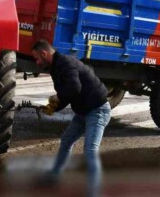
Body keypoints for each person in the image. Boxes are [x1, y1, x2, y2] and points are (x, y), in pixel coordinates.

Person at [31, 39, 111, 197]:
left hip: (97, 110)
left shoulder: (66, 63)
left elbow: (74, 88)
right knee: (66, 140)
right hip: (82, 111)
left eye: (37, 58)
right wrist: (49, 109)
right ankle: (54, 176)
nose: (37, 62)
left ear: (44, 53)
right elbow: (67, 94)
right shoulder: (55, 67)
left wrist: (55, 100)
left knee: (90, 150)